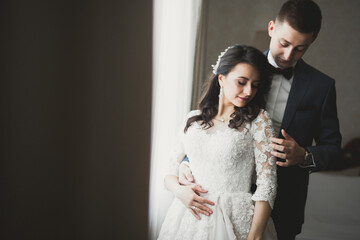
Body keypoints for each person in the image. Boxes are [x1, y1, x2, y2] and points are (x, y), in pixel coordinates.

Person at [178, 1, 342, 239]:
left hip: (285, 202)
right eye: (284, 44)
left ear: (312, 41)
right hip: (223, 203)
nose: (288, 55)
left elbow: (334, 150)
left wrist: (305, 156)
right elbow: (210, 121)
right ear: (272, 28)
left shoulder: (322, 87)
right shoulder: (241, 72)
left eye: (300, 49)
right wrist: (186, 161)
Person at [158, 45, 277, 240]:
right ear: (221, 79)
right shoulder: (193, 119)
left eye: (255, 85)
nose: (248, 91)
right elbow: (169, 168)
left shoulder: (259, 120)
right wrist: (180, 192)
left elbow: (267, 185)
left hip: (235, 219)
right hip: (188, 218)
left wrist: (255, 236)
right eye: (241, 82)